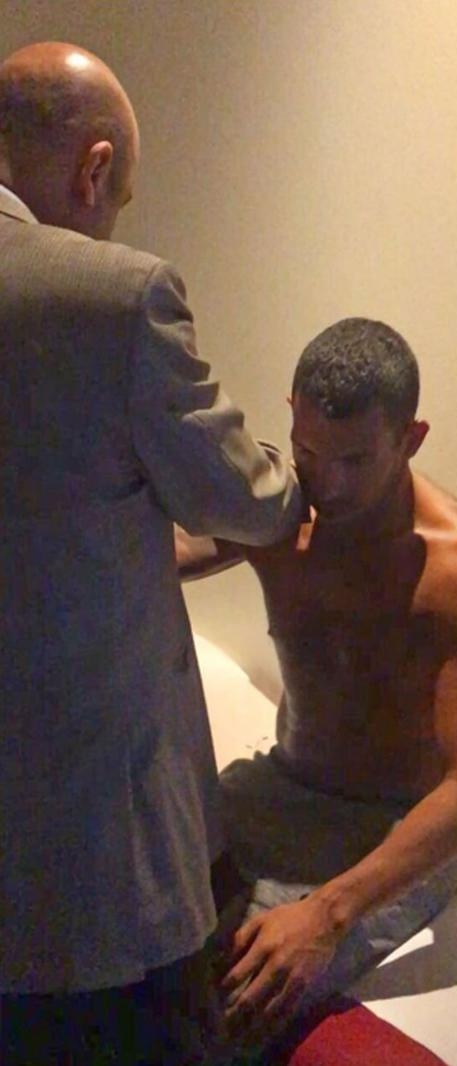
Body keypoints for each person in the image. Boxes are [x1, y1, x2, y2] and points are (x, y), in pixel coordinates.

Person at [0, 41, 301, 1065]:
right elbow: (240, 495)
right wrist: (300, 480)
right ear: (93, 171)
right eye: (117, 198)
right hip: (85, 847)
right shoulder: (114, 297)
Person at [177, 316, 457, 1051]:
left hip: (390, 832)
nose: (325, 483)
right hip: (276, 785)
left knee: (220, 1003)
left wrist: (328, 914)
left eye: (355, 460)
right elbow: (155, 552)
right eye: (308, 451)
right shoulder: (278, 508)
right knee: (111, 915)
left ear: (411, 438)